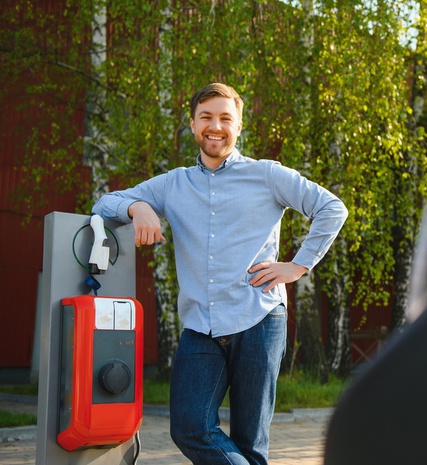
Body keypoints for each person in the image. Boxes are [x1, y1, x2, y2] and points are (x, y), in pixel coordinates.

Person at [92, 82, 348, 465]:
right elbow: (105, 202)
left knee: (250, 442)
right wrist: (138, 208)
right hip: (200, 325)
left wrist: (298, 266)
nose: (216, 126)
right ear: (193, 125)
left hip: (258, 318)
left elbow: (331, 208)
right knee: (190, 428)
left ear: (239, 126)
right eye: (207, 117)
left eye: (226, 118)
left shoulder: (267, 175)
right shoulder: (173, 184)